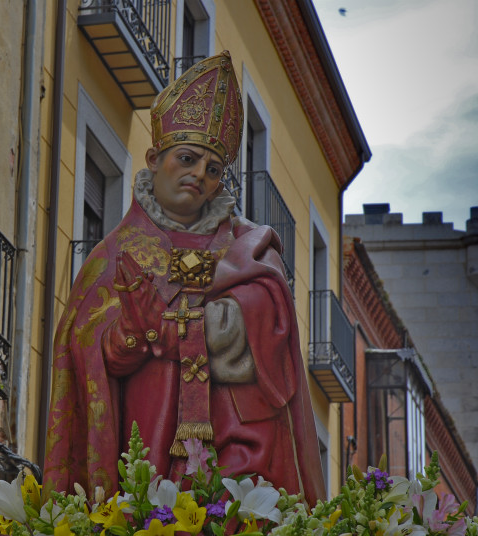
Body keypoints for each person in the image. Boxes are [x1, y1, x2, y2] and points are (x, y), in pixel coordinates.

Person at [43, 51, 325, 506]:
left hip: (237, 439)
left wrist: (184, 329)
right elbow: (89, 354)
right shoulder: (114, 255)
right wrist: (130, 335)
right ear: (155, 158)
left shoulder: (251, 246)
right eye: (188, 158)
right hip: (146, 435)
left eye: (213, 169)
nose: (199, 175)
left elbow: (273, 323)